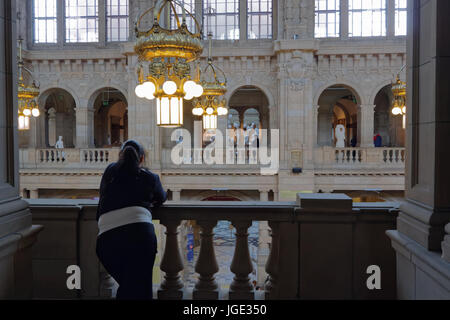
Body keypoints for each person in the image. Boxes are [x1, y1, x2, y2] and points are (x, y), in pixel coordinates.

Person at [96, 139, 167, 300]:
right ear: (141, 159)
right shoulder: (150, 177)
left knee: (128, 286)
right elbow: (162, 198)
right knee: (140, 288)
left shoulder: (109, 171)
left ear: (120, 156)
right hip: (140, 236)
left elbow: (103, 195)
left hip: (107, 240)